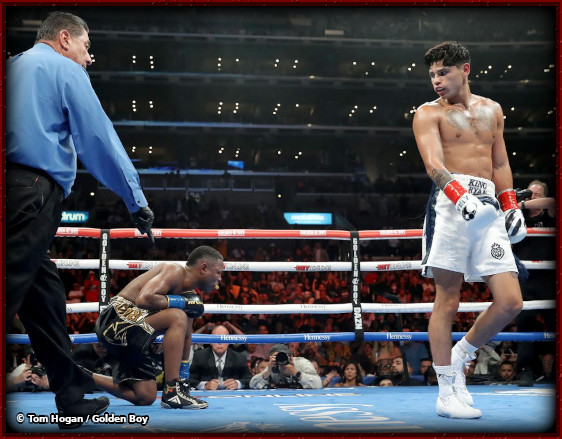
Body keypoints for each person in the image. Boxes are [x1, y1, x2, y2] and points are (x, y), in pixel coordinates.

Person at [6, 11, 155, 428]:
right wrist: (134, 198)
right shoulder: (61, 68)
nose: (90, 58)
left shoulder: (13, 65)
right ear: (66, 38)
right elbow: (98, 138)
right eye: (88, 47)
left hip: (14, 189)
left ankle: (70, 398)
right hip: (32, 191)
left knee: (46, 298)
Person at [413, 41, 525, 419]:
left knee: (510, 301)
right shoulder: (428, 113)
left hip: (489, 206)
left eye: (443, 72)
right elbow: (433, 162)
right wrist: (459, 195)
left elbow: (501, 161)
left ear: (465, 70)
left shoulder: (492, 109)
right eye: (431, 74)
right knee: (448, 299)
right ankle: (446, 390)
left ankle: (463, 352)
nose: (436, 80)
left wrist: (510, 205)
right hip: (449, 205)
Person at [90, 246, 223, 409]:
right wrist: (182, 303)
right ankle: (171, 392)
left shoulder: (190, 295)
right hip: (114, 321)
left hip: (133, 334)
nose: (220, 279)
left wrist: (184, 379)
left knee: (145, 396)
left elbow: (186, 336)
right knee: (177, 316)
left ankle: (80, 373)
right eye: (218, 272)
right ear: (203, 268)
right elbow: (144, 299)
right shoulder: (174, 270)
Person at [189, 324, 253, 390]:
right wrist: (205, 385)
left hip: (232, 397)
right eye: (217, 338)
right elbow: (190, 380)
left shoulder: (239, 357)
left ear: (229, 341)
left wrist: (238, 384)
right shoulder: (199, 356)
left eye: (224, 339)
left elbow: (250, 380)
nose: (220, 343)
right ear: (210, 341)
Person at [250, 344, 322, 389]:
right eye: (276, 357)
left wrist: (295, 372)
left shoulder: (302, 363)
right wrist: (268, 371)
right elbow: (252, 384)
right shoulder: (272, 366)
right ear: (271, 358)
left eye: (283, 356)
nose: (280, 359)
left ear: (291, 357)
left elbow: (318, 384)